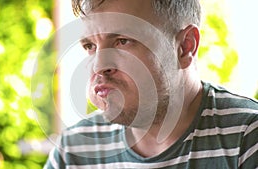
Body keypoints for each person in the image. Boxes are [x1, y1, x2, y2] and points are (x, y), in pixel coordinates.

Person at [44, 0, 258, 168]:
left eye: (123, 41)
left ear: (185, 46)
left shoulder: (248, 137)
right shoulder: (73, 151)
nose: (99, 66)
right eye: (90, 46)